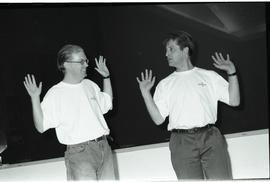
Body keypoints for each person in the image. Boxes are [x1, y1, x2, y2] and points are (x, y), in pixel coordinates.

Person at [136, 31, 240, 180]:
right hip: (181, 142)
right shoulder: (165, 84)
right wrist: (145, 93)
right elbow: (158, 119)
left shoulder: (209, 76)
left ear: (185, 51)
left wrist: (232, 73)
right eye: (166, 50)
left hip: (211, 138)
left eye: (171, 49)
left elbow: (235, 101)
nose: (166, 54)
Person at [23, 44, 115, 180]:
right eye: (82, 61)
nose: (86, 65)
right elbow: (41, 126)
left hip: (104, 147)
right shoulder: (55, 94)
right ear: (66, 64)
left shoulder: (89, 85)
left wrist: (106, 78)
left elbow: (107, 103)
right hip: (80, 154)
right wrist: (35, 98)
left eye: (86, 61)